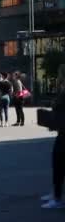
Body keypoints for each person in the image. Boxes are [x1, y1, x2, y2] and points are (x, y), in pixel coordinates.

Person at [41, 64, 65, 209]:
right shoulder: (62, 89)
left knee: (59, 163)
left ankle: (57, 198)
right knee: (58, 163)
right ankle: (56, 194)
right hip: (62, 131)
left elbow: (59, 107)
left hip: (64, 133)